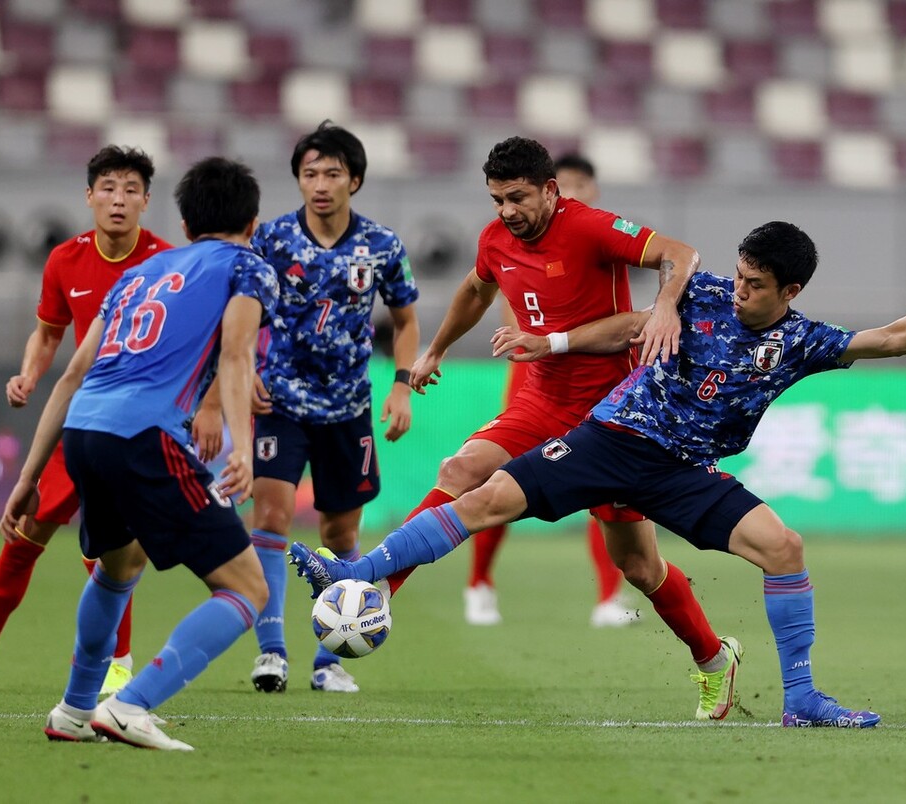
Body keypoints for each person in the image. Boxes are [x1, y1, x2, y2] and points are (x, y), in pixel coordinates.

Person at [292, 221, 906, 728]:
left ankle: (801, 699)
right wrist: (554, 342)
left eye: (755, 285)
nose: (737, 291)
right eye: (736, 275)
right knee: (485, 495)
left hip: (682, 471)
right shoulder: (697, 295)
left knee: (779, 549)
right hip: (611, 439)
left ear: (789, 291)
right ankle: (356, 573)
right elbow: (629, 327)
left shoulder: (801, 341)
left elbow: (889, 338)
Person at [300, 135, 744, 721]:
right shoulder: (495, 239)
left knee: (638, 566)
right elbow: (475, 288)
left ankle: (714, 659)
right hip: (541, 402)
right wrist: (435, 350)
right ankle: (375, 589)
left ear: (551, 191)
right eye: (496, 200)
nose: (507, 211)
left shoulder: (588, 226)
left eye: (517, 198)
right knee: (461, 469)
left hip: (615, 415)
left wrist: (665, 304)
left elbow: (681, 254)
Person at [0, 156, 280, 751]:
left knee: (119, 565)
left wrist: (29, 475)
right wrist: (243, 448)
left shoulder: (140, 273)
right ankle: (130, 705)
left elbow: (72, 374)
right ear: (253, 224)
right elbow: (236, 356)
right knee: (248, 589)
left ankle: (75, 709)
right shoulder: (248, 267)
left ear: (182, 223)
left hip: (84, 433)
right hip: (145, 436)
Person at [0, 146, 172, 695]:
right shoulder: (65, 260)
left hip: (139, 429)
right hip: (79, 422)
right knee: (23, 537)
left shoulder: (167, 263)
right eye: (108, 187)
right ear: (89, 196)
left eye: (130, 189)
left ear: (147, 201)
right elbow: (49, 332)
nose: (118, 199)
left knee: (111, 550)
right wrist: (30, 373)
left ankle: (119, 666)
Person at [246, 121, 420, 695]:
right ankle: (271, 653)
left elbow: (406, 317)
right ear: (298, 179)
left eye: (332, 173)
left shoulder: (383, 245)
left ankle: (329, 658)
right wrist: (243, 370)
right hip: (280, 402)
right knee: (270, 518)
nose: (320, 184)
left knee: (339, 532)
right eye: (309, 173)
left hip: (348, 409)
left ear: (356, 180)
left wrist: (401, 384)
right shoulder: (270, 240)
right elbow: (238, 310)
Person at [465, 151, 635, 629]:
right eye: (569, 182)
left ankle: (608, 597)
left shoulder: (591, 236)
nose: (575, 192)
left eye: (582, 183)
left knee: (606, 491)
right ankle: (479, 583)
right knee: (495, 479)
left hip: (593, 376)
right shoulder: (513, 244)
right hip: (532, 376)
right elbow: (502, 304)